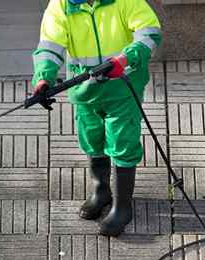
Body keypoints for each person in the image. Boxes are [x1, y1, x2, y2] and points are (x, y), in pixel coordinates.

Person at [32, 0, 161, 236]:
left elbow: (149, 32)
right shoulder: (61, 6)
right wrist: (43, 79)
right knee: (92, 138)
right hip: (85, 92)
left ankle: (122, 207)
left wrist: (126, 58)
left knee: (123, 141)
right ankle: (101, 191)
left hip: (123, 88)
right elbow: (50, 46)